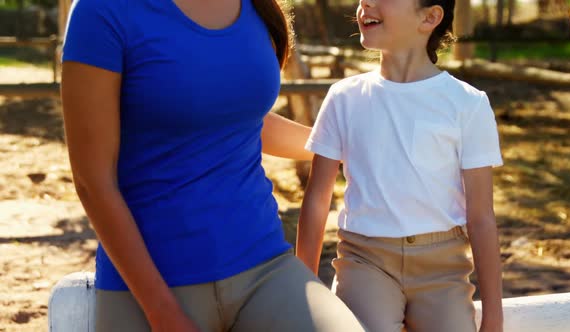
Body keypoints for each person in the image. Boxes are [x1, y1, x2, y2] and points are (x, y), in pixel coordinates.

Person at [60, 0, 368, 331]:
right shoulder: (103, 11)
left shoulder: (257, 8)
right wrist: (162, 312)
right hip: (149, 287)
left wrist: (341, 145)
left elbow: (239, 120)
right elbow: (92, 181)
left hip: (265, 269)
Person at [296, 0, 504, 331]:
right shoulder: (343, 97)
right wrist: (302, 290)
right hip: (364, 261)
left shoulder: (468, 104)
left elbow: (481, 218)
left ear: (430, 17)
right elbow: (317, 200)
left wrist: (494, 316)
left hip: (443, 268)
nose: (365, 3)